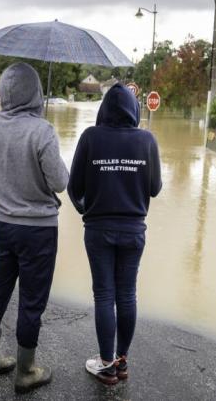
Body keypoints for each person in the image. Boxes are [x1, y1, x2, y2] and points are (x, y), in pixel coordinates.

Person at [0, 62, 69, 394]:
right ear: (36, 92)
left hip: (4, 223)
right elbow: (60, 182)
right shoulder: (42, 131)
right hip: (39, 230)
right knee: (31, 301)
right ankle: (26, 371)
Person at [67, 83, 162, 385]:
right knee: (127, 294)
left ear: (103, 108)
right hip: (134, 230)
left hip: (97, 230)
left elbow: (73, 188)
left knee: (104, 296)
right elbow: (155, 188)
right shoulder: (147, 140)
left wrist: (87, 210)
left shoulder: (90, 137)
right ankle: (121, 361)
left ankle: (106, 363)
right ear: (135, 110)